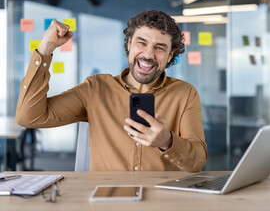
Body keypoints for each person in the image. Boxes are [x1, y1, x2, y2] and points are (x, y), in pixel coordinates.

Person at [16, 10, 207, 171]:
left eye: (159, 48)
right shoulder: (95, 88)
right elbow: (29, 117)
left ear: (171, 54)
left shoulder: (185, 94)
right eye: (141, 42)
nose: (148, 55)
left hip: (162, 200)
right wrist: (45, 50)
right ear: (129, 43)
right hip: (106, 200)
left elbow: (197, 162)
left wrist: (168, 142)